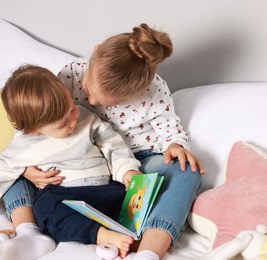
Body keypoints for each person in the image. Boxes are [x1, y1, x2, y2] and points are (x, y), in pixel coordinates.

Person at [23, 23, 205, 260]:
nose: (90, 100)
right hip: (86, 160)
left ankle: (149, 250)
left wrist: (175, 146)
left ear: (139, 91)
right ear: (94, 52)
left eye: (106, 103)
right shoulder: (71, 74)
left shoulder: (155, 90)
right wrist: (26, 169)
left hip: (138, 163)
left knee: (188, 170)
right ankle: (25, 232)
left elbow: (170, 130)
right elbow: (45, 120)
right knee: (10, 171)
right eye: (88, 90)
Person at [0, 65, 142, 259]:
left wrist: (127, 171)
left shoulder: (86, 119)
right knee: (45, 207)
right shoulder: (24, 145)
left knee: (139, 196)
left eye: (72, 110)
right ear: (34, 130)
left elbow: (112, 144)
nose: (74, 121)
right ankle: (101, 235)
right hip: (66, 199)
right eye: (62, 124)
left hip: (104, 192)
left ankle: (137, 231)